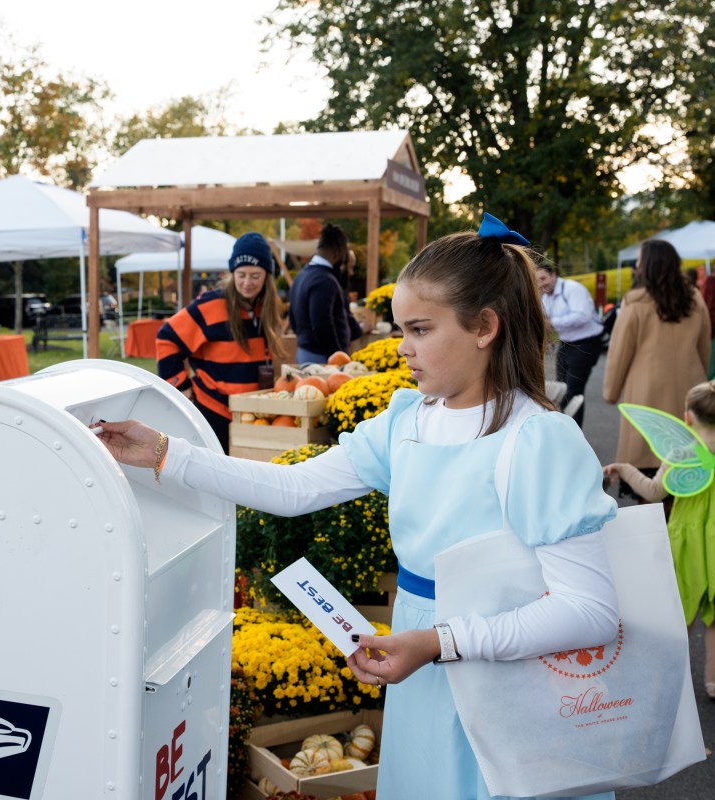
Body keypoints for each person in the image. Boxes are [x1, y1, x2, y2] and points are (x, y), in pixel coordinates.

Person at [100, 214, 620, 799]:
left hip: (509, 685)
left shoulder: (539, 440)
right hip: (423, 671)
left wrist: (438, 643)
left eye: (420, 329)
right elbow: (295, 489)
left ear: (484, 327)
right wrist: (169, 453)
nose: (403, 348)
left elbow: (591, 611)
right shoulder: (409, 420)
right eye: (402, 329)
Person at [604, 381, 715, 700]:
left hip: (686, 543)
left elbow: (654, 492)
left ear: (687, 417)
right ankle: (714, 681)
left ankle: (673, 678)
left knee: (682, 609)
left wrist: (625, 468)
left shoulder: (681, 454)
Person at [155, 232, 285, 451]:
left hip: (252, 411)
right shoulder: (211, 305)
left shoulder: (266, 307)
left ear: (267, 276)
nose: (247, 282)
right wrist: (181, 388)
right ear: (232, 273)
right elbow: (166, 337)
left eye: (255, 276)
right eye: (241, 274)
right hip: (214, 410)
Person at [604, 239, 710, 489]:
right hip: (689, 389)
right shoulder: (694, 298)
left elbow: (620, 352)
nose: (635, 267)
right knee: (686, 461)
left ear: (647, 267)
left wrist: (611, 391)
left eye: (639, 261)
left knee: (648, 468)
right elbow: (705, 347)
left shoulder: (635, 303)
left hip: (645, 395)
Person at [287, 223, 369, 363]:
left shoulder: (302, 275)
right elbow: (322, 325)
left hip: (306, 351)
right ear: (337, 253)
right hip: (322, 357)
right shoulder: (325, 281)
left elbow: (292, 318)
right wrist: (338, 356)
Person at [535, 262, 603, 427]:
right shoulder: (545, 296)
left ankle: (574, 431)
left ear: (553, 275)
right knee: (561, 388)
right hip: (567, 342)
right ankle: (564, 425)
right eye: (537, 280)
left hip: (587, 342)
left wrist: (552, 322)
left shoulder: (572, 289)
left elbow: (583, 315)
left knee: (573, 390)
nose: (541, 283)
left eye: (543, 278)